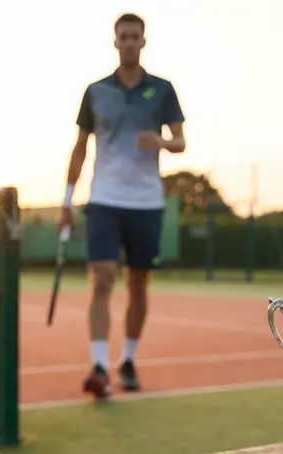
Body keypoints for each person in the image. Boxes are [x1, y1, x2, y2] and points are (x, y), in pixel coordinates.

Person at [59, 12, 185, 398]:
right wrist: (67, 198)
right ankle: (99, 366)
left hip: (146, 202)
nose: (129, 42)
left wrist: (160, 143)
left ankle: (127, 359)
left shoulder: (162, 89)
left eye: (135, 36)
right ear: (115, 42)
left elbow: (180, 142)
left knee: (138, 282)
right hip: (104, 199)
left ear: (143, 42)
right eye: (123, 36)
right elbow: (80, 148)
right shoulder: (95, 91)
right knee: (101, 278)